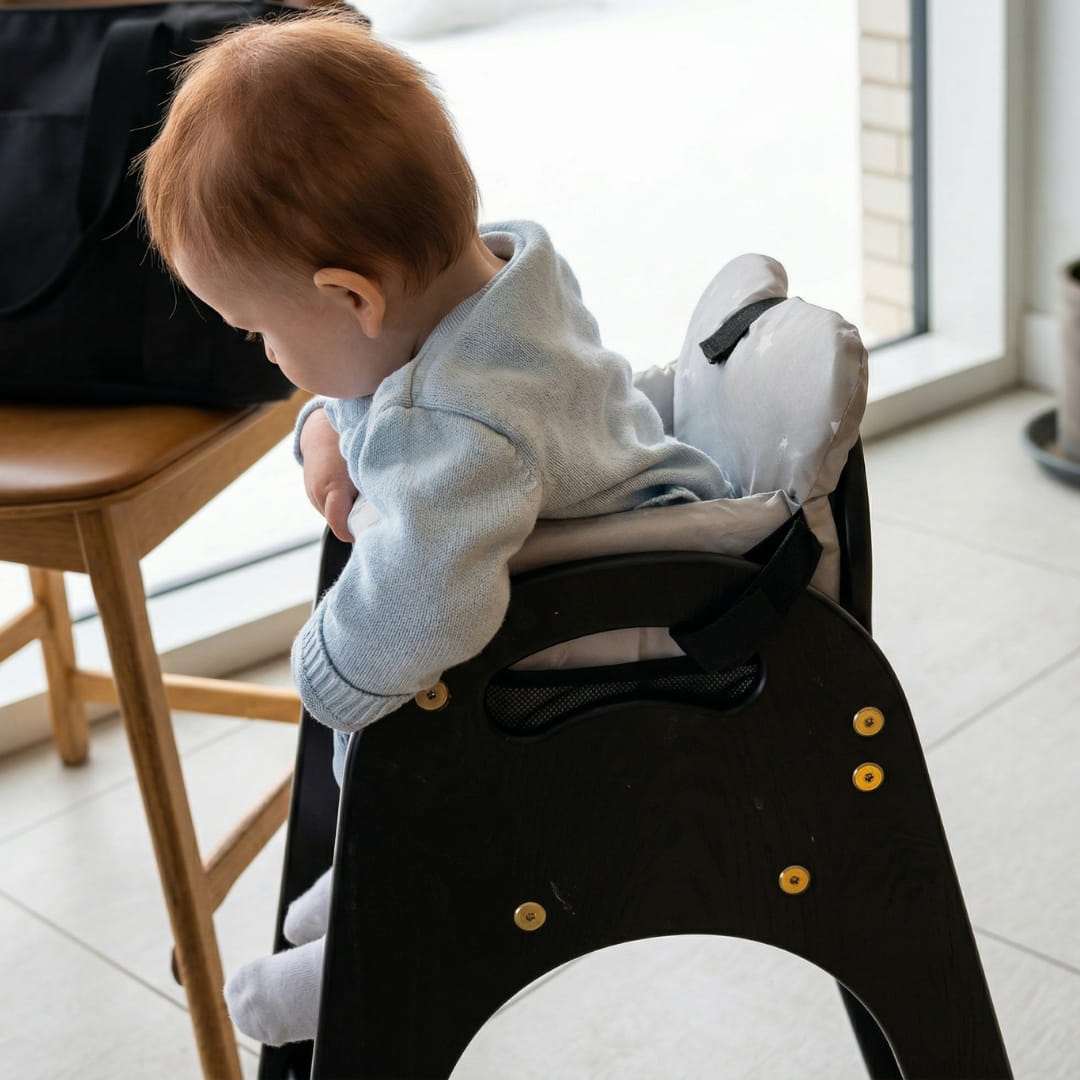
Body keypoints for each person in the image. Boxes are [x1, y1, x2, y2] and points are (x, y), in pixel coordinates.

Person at [139, 6, 732, 1046]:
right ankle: (382, 859)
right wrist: (329, 422)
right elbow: (386, 384)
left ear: (352, 298)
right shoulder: (503, 276)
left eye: (264, 332)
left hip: (622, 630)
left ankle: (378, 926)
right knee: (396, 708)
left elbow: (425, 609)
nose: (267, 358)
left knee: (401, 712)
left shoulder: (461, 431)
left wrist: (318, 673)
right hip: (637, 541)